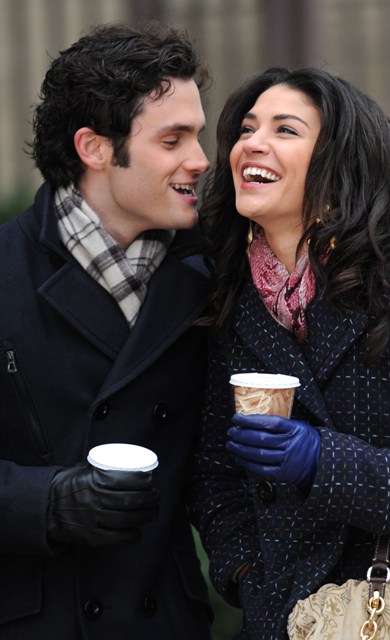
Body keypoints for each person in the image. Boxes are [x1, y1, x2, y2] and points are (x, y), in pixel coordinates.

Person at [188, 66, 390, 639]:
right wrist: (249, 574)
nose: (252, 143)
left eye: (285, 129)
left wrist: (326, 463)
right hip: (282, 621)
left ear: (342, 163)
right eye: (247, 129)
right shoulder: (232, 299)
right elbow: (213, 473)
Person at [0, 21, 213, 639]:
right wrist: (46, 502)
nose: (201, 160)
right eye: (172, 139)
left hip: (164, 621)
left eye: (198, 135)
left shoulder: (214, 274)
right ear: (95, 148)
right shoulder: (6, 269)